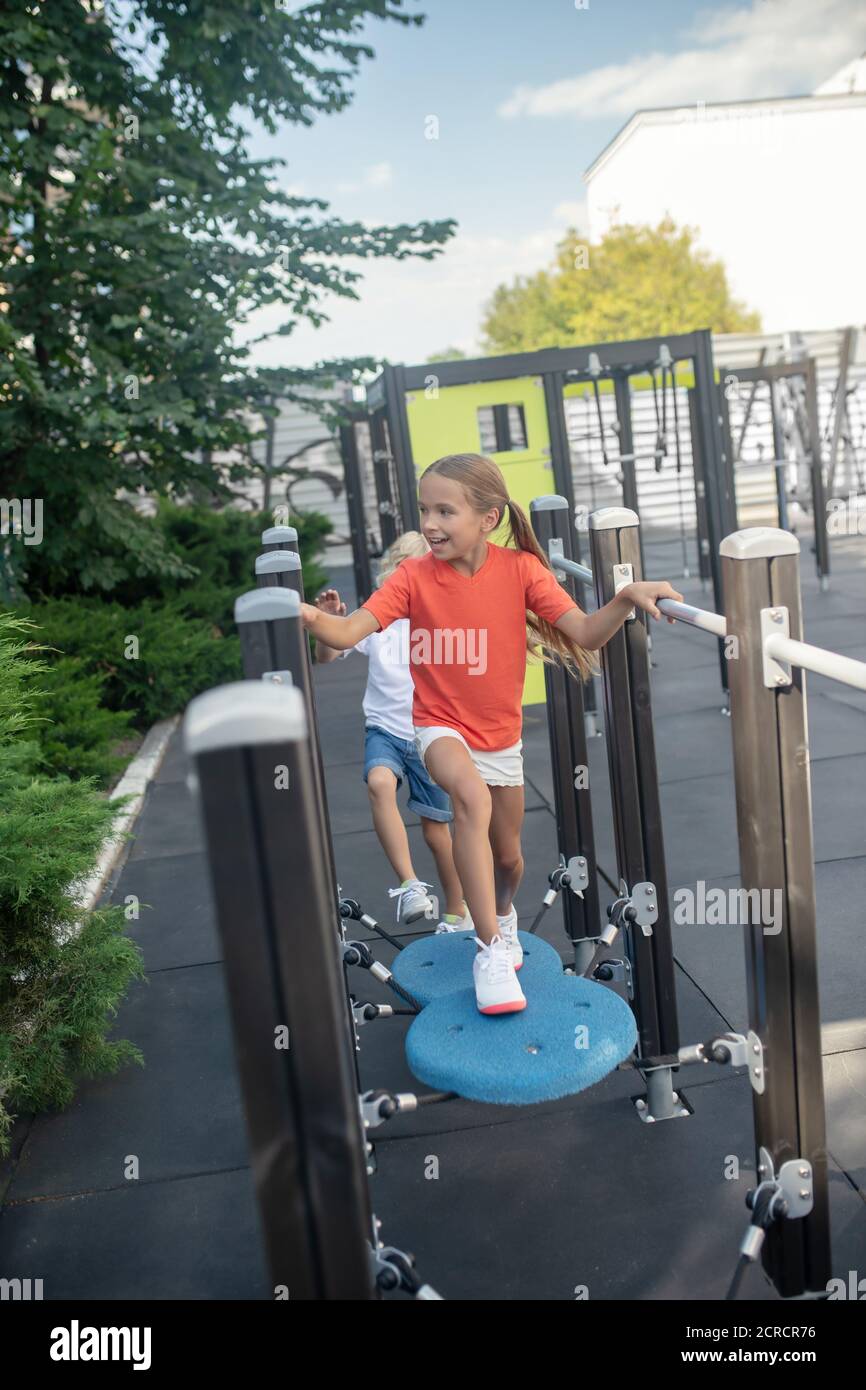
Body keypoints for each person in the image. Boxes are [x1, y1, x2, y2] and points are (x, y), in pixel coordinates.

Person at [301, 453, 682, 1016]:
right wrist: (307, 616)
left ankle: (501, 916)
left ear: (488, 516)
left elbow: (582, 631)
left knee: (510, 861)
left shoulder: (521, 571)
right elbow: (350, 628)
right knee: (469, 801)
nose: (430, 523)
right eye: (425, 509)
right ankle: (489, 952)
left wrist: (624, 599)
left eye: (444, 511)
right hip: (438, 728)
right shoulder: (411, 578)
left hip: (501, 739)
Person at [313, 531, 472, 934]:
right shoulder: (378, 620)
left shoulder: (441, 621)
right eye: (402, 573)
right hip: (384, 729)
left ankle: (458, 909)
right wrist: (328, 621)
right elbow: (327, 656)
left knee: (438, 833)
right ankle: (410, 886)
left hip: (428, 734)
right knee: (380, 783)